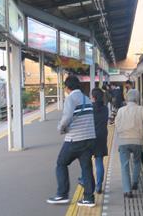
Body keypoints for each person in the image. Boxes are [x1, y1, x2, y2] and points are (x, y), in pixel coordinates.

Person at [47, 75, 97, 207]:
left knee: (61, 163)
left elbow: (67, 116)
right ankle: (88, 198)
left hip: (75, 139)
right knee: (86, 168)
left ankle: (62, 194)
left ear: (67, 87)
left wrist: (61, 128)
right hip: (89, 138)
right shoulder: (86, 98)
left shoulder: (70, 98)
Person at [91, 87, 109, 194]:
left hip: (90, 136)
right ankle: (98, 186)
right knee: (99, 161)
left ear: (93, 97)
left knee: (86, 162)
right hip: (102, 136)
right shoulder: (105, 108)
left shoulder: (89, 108)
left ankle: (86, 181)